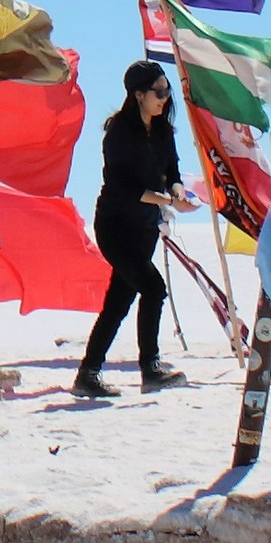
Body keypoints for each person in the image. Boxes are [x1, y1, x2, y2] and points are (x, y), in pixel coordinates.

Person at [74, 60, 201, 398]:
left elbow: (172, 170)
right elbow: (121, 187)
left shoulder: (162, 131)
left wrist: (177, 192)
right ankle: (150, 367)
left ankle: (88, 373)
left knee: (119, 300)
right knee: (154, 288)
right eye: (158, 92)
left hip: (145, 227)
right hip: (116, 226)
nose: (164, 98)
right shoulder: (119, 132)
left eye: (166, 91)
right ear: (139, 94)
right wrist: (168, 201)